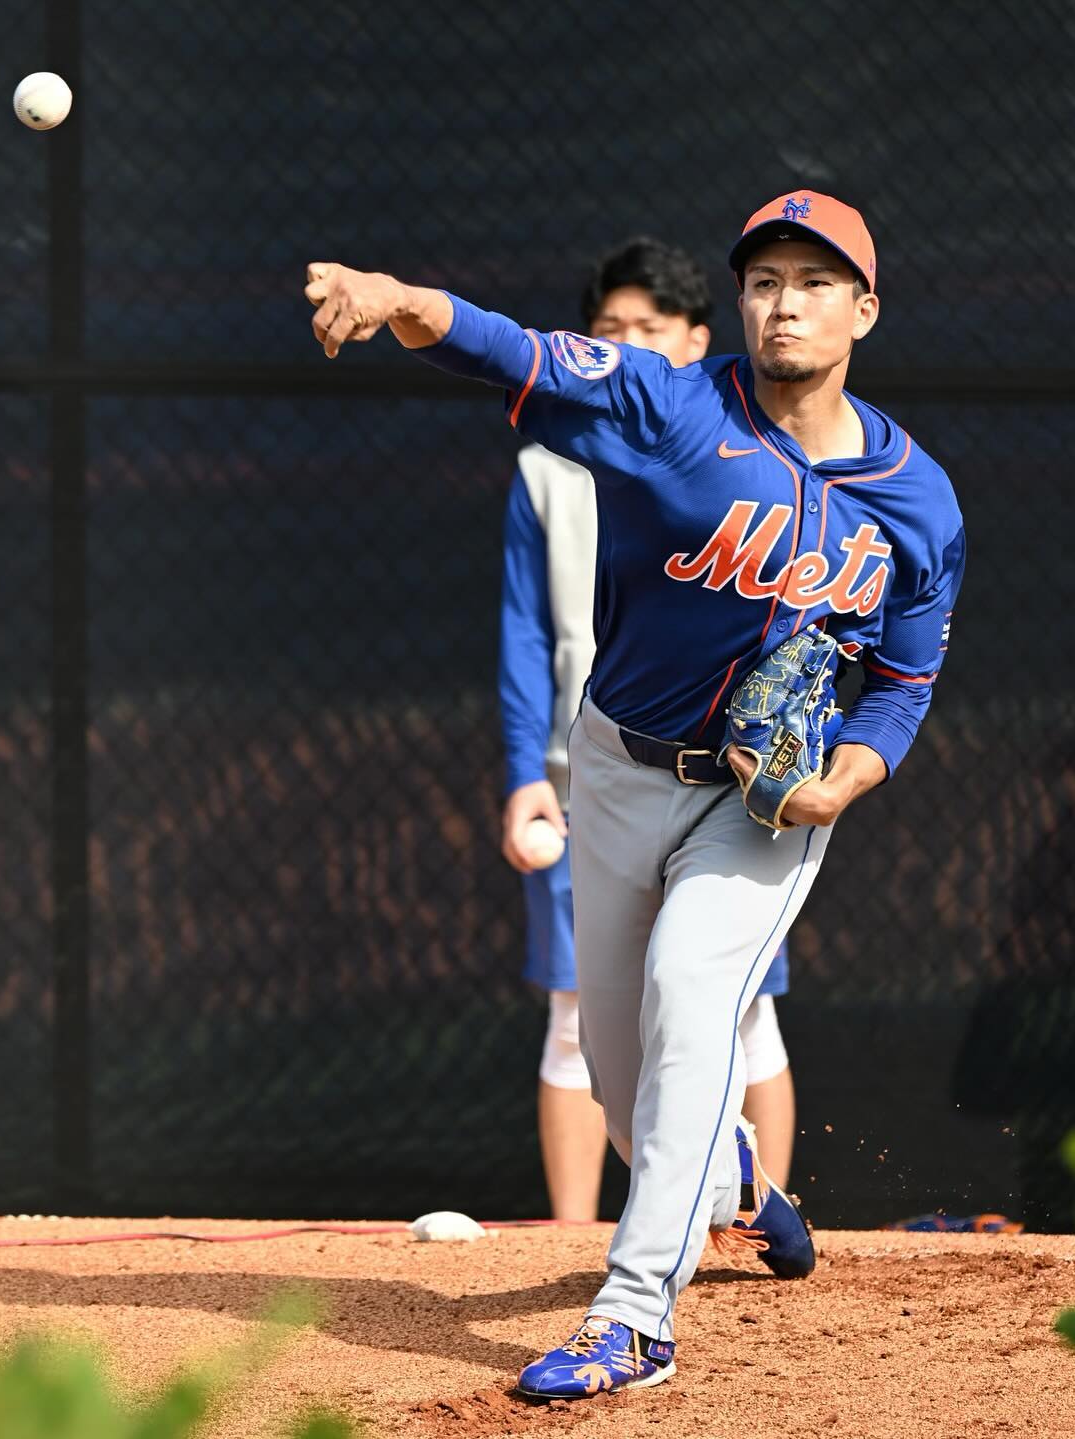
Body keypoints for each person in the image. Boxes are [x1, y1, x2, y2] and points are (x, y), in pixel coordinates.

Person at [304, 189, 966, 1400]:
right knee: (616, 1067)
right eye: (765, 278)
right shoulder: (670, 401)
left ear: (864, 308)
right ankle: (740, 1191)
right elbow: (511, 348)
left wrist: (852, 775)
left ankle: (634, 1318)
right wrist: (402, 301)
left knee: (690, 994)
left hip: (760, 806)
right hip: (616, 763)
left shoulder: (918, 501)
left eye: (815, 280)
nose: (784, 301)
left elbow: (904, 681)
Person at [498, 237, 798, 1223]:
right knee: (583, 1011)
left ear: (698, 341)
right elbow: (526, 630)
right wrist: (523, 771)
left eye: (649, 330)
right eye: (608, 330)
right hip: (590, 769)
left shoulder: (761, 454)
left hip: (728, 770)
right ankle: (576, 1235)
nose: (626, 344)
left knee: (738, 1002)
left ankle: (758, 1217)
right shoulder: (550, 460)